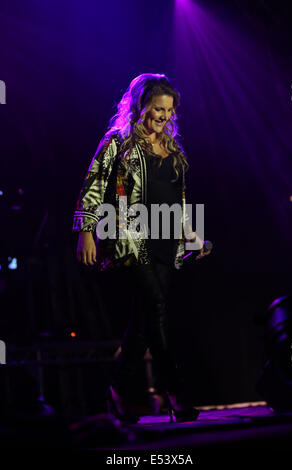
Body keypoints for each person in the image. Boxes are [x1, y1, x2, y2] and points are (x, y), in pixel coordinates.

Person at [73, 73, 211, 423]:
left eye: (168, 111)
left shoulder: (174, 148)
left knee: (143, 323)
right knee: (158, 310)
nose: (162, 117)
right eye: (156, 109)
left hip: (167, 238)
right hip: (130, 236)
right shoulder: (117, 141)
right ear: (140, 106)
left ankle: (117, 388)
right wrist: (86, 229)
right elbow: (95, 183)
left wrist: (192, 236)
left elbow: (177, 201)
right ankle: (175, 391)